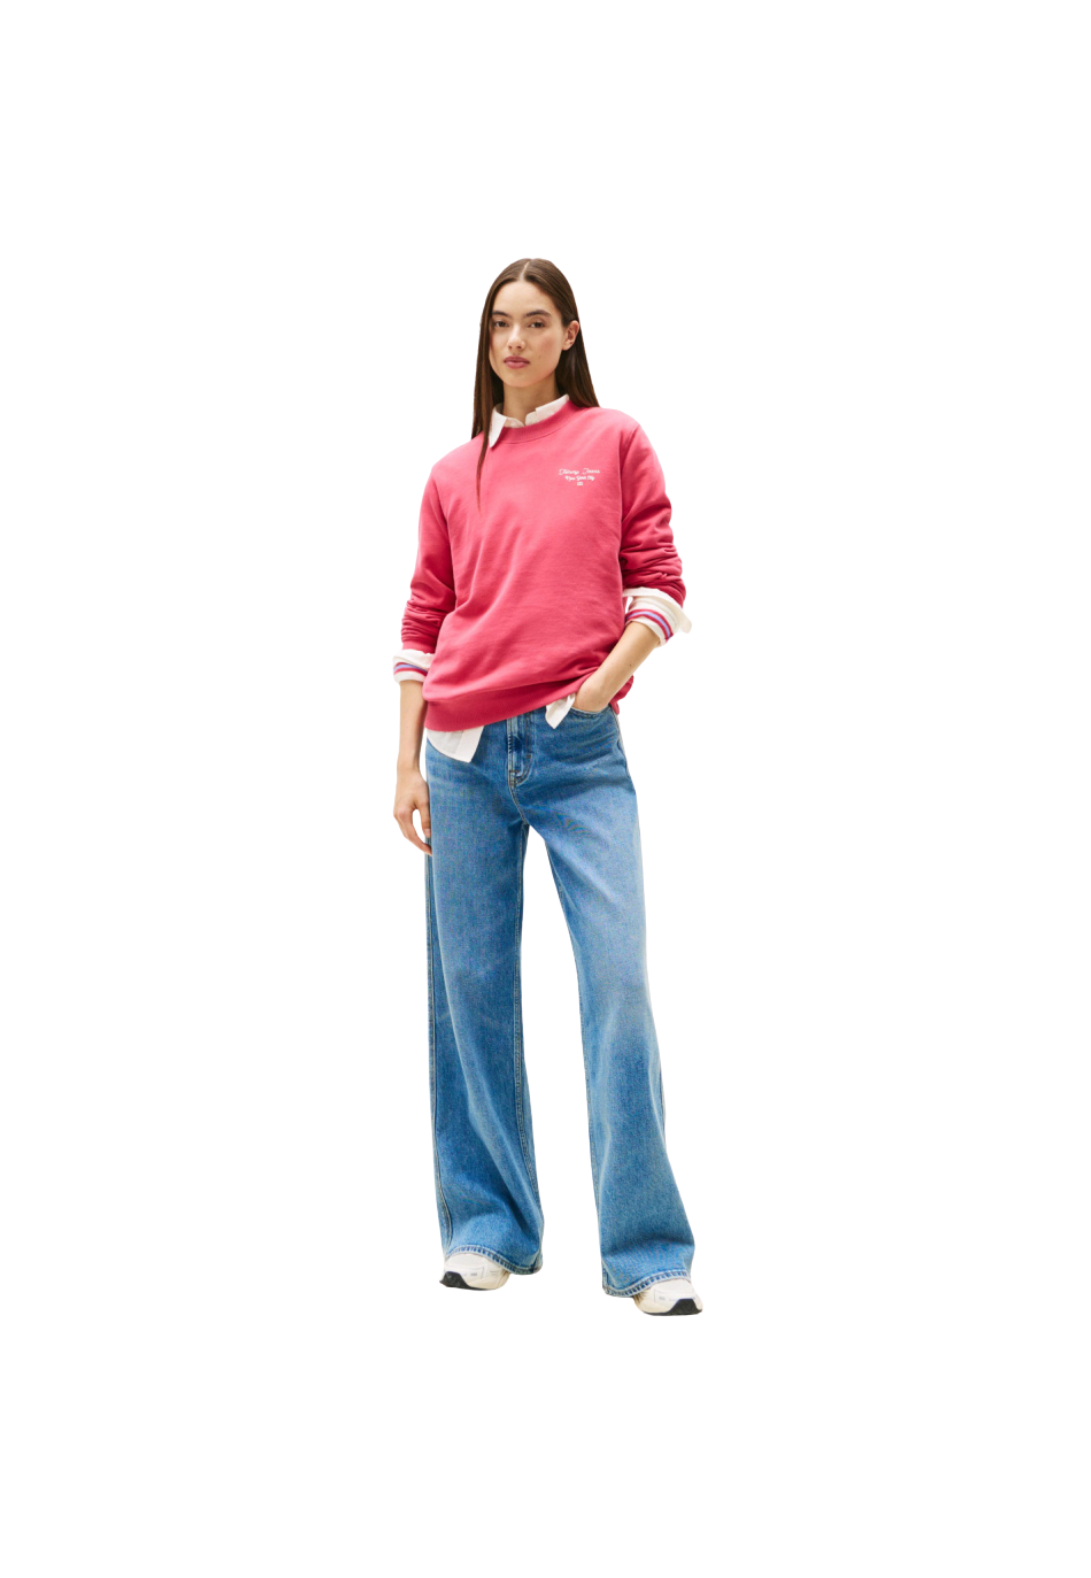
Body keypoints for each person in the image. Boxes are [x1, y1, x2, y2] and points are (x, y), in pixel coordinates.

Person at [392, 257, 702, 1316]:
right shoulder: (452, 473)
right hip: (462, 759)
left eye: (534, 323)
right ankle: (487, 1227)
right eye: (498, 325)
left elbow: (660, 582)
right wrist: (405, 762)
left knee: (617, 984)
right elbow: (424, 617)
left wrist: (597, 688)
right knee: (470, 995)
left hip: (579, 756)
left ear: (570, 333)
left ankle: (648, 1250)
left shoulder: (612, 441)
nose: (514, 342)